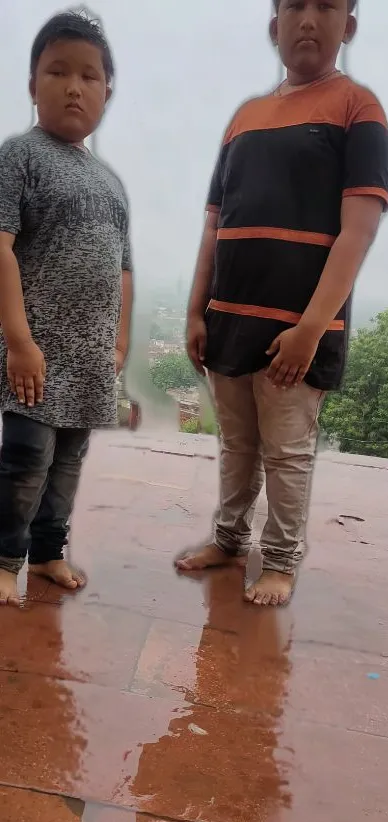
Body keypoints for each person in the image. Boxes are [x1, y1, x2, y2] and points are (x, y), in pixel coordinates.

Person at [176, 0, 388, 606]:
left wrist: (310, 330)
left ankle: (280, 561)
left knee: (288, 454)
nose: (307, 19)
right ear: (274, 26)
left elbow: (359, 231)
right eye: (293, 5)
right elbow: (215, 225)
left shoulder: (359, 110)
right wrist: (197, 310)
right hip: (229, 322)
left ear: (347, 26)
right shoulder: (244, 118)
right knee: (238, 445)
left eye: (325, 6)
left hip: (295, 334)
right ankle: (228, 538)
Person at [0, 10, 133, 606]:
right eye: (57, 71)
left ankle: (50, 551)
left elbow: (123, 270)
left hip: (87, 361)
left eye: (90, 76)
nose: (74, 86)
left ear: (107, 92)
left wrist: (120, 343)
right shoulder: (18, 157)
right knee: (27, 459)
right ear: (32, 85)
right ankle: (5, 557)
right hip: (37, 354)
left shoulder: (111, 184)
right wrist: (19, 342)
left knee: (68, 463)